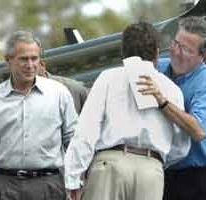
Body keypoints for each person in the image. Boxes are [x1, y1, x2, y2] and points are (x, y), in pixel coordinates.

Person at [65, 22, 190, 200]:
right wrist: (156, 161)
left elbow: (87, 129)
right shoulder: (172, 89)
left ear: (123, 52)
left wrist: (73, 176)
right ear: (156, 52)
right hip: (151, 170)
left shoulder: (108, 78)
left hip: (110, 164)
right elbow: (181, 145)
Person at [0, 31, 78, 200]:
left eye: (34, 58)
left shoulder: (59, 94)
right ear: (8, 61)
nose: (30, 65)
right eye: (24, 59)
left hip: (49, 185)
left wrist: (77, 179)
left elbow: (73, 140)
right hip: (5, 187)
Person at [147, 16, 206, 200]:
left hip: (201, 178)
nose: (176, 52)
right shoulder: (159, 68)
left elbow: (199, 131)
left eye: (186, 50)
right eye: (175, 43)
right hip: (168, 175)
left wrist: (163, 102)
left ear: (203, 55)